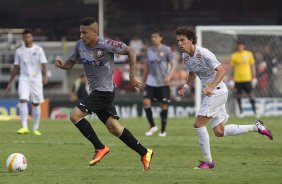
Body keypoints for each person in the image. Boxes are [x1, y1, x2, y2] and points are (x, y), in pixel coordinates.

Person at [55, 17, 153, 171]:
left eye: (84, 32)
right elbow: (71, 63)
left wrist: (133, 76)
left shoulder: (106, 44)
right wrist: (62, 66)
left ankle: (100, 147)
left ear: (95, 32)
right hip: (95, 91)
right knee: (114, 127)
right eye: (80, 32)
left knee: (74, 115)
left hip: (104, 92)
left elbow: (131, 51)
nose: (81, 36)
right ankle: (145, 152)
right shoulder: (80, 45)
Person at [176, 26, 273, 169]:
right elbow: (191, 73)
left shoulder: (204, 53)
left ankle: (208, 162)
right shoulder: (185, 56)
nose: (179, 43)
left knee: (198, 124)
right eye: (178, 40)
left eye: (182, 40)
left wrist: (211, 86)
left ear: (190, 40)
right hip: (214, 92)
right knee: (219, 131)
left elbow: (222, 71)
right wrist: (185, 87)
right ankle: (257, 127)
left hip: (217, 91)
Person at [6, 29, 48, 136]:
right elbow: (15, 67)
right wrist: (10, 82)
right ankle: (24, 127)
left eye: (29, 37)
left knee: (35, 103)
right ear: (23, 38)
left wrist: (45, 76)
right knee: (23, 100)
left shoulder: (38, 50)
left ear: (32, 37)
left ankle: (35, 128)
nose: (27, 39)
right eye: (25, 37)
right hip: (24, 79)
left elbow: (44, 64)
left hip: (36, 80)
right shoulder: (19, 51)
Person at [142, 29, 176, 137]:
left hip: (163, 82)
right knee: (146, 102)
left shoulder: (167, 49)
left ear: (161, 38)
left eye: (156, 37)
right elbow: (147, 66)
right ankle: (152, 126)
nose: (153, 39)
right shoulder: (149, 51)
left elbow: (173, 64)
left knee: (163, 105)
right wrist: (143, 80)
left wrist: (169, 76)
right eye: (152, 37)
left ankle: (163, 130)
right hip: (151, 81)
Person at [230, 41, 258, 117]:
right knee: (238, 95)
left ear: (244, 46)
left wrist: (254, 76)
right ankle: (241, 112)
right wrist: (231, 79)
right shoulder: (234, 55)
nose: (240, 47)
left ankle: (255, 112)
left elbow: (252, 66)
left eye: (241, 45)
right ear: (237, 46)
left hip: (247, 78)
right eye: (239, 45)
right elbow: (232, 69)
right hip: (237, 79)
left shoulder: (249, 54)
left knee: (251, 94)